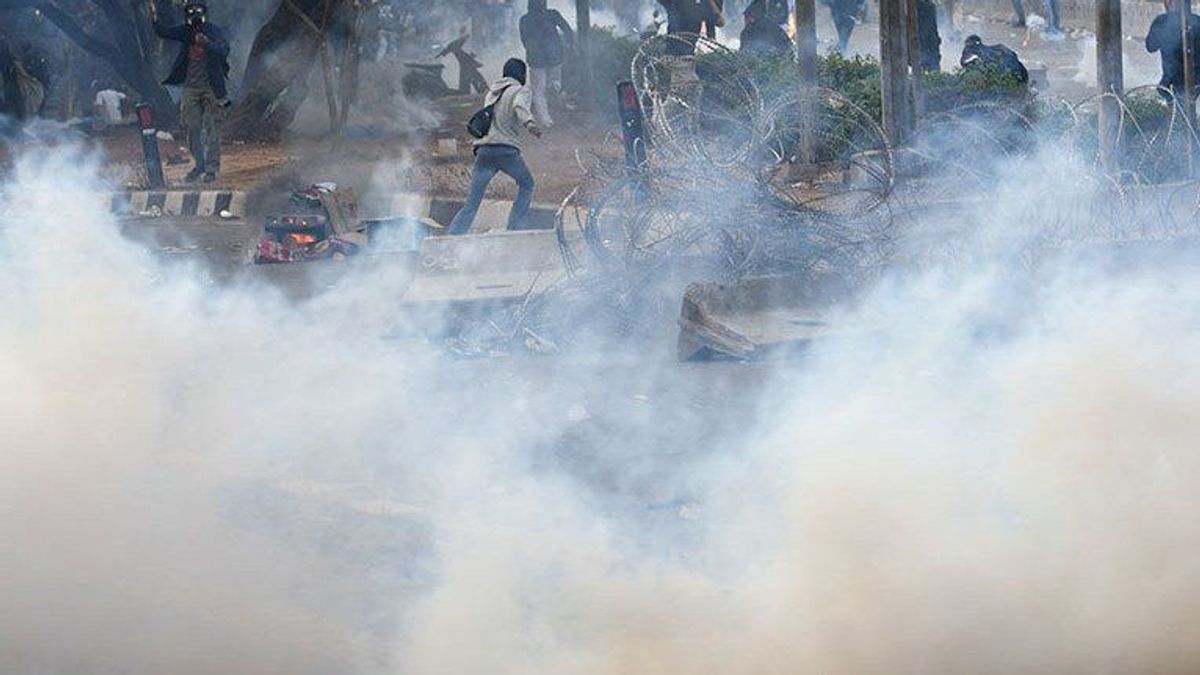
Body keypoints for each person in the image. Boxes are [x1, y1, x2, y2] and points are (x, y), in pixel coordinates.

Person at [448, 58, 542, 235]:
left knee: (472, 201)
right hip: (506, 152)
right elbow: (520, 106)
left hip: (484, 151)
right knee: (527, 183)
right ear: (521, 74)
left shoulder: (493, 92)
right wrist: (531, 124)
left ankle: (453, 236)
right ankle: (513, 230)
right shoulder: (520, 90)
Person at [151, 0, 231, 183]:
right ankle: (200, 165)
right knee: (192, 128)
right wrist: (153, 14)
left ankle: (211, 169)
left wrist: (207, 44)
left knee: (212, 130)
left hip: (212, 89)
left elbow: (224, 49)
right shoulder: (185, 32)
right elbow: (162, 32)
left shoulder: (213, 31)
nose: (195, 20)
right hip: (190, 89)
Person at [519, 0, 574, 128]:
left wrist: (531, 50)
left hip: (536, 59)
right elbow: (567, 30)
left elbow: (524, 39)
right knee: (554, 83)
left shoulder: (525, 19)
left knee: (538, 91)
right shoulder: (552, 14)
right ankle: (555, 92)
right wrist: (569, 44)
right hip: (554, 57)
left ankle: (545, 121)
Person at [1147, 0, 1200, 104]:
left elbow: (1151, 47)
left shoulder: (1162, 21)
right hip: (1189, 80)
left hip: (1175, 81)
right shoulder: (1197, 21)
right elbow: (1151, 47)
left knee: (1180, 110)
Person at [960, 34, 1029, 83]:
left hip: (1005, 79)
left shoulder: (972, 52)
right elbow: (1014, 55)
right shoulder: (1000, 47)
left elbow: (963, 63)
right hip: (1021, 76)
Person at [917, 0, 941, 72]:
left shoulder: (929, 6)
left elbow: (933, 27)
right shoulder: (928, 6)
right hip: (924, 41)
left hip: (928, 41)